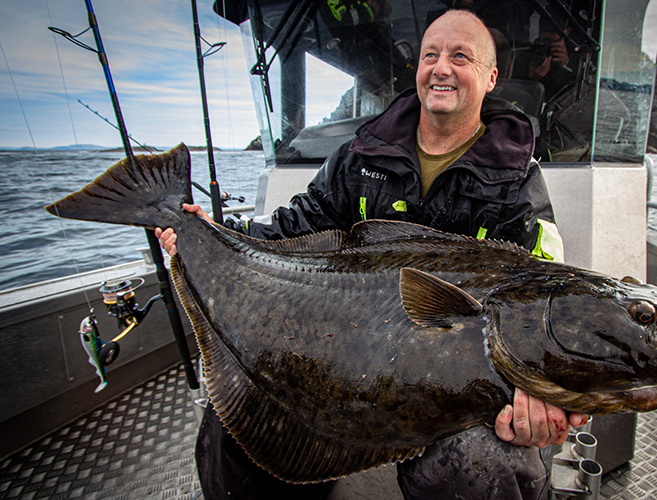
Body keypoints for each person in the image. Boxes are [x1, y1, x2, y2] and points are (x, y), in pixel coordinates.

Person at [157, 9, 586, 500]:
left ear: (491, 78)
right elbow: (296, 227)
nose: (441, 67)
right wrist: (217, 234)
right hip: (347, 358)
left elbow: (546, 296)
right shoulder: (360, 156)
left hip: (453, 388)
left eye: (460, 56)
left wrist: (542, 391)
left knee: (487, 464)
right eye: (431, 55)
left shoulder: (519, 185)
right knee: (236, 424)